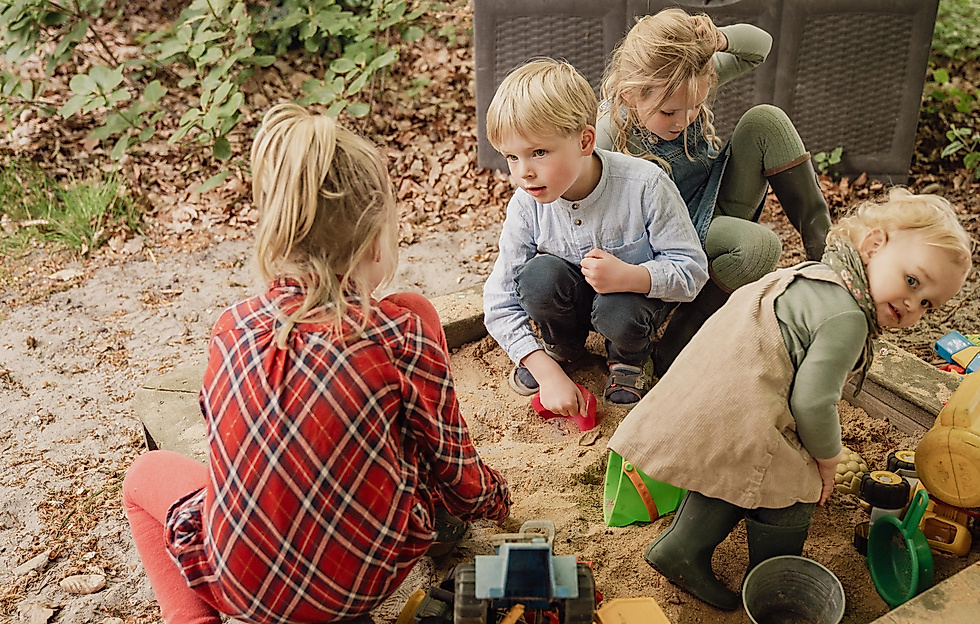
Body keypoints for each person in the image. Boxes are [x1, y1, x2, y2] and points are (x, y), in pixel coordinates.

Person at [122, 103, 511, 624]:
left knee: (143, 474)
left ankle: (191, 619)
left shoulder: (231, 328)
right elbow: (457, 471)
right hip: (367, 577)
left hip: (242, 589)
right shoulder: (399, 332)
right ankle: (434, 535)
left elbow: (227, 450)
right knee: (410, 361)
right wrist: (496, 502)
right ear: (375, 242)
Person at [608, 189, 972, 610]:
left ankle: (680, 549)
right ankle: (772, 583)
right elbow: (813, 402)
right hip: (745, 402)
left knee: (732, 468)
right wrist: (829, 459)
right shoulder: (849, 319)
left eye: (927, 303)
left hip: (717, 390)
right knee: (794, 488)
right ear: (874, 246)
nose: (912, 304)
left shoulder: (822, 274)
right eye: (912, 280)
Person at [597, 8, 833, 374]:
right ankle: (677, 344)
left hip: (715, 194)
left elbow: (760, 46)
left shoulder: (684, 81)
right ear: (630, 95)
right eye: (669, 112)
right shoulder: (609, 131)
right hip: (675, 233)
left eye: (695, 107)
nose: (684, 119)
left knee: (766, 119)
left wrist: (718, 40)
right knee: (760, 248)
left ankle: (829, 266)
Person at [483, 59, 708, 410]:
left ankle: (629, 359)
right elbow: (498, 300)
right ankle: (563, 347)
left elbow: (692, 271)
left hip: (629, 306)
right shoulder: (527, 205)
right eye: (512, 157)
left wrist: (632, 276)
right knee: (539, 278)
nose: (524, 172)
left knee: (619, 308)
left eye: (539, 153)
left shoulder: (645, 185)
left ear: (585, 140)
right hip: (571, 302)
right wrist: (542, 370)